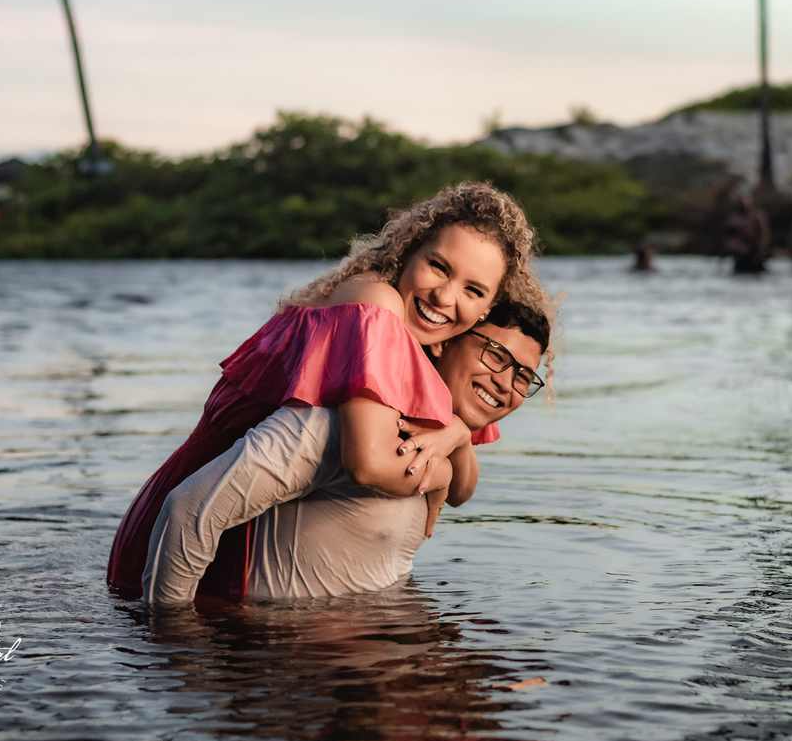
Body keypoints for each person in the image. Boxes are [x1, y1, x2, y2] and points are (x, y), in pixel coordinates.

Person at [108, 182, 548, 600]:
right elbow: (368, 464)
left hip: (221, 524)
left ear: (488, 306)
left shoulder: (420, 348)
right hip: (179, 521)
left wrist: (453, 432)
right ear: (408, 252)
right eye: (438, 266)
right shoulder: (379, 305)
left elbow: (463, 489)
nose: (445, 296)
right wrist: (443, 472)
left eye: (473, 290)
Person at [143, 301, 551, 606]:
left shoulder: (436, 442)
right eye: (496, 356)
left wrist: (458, 435)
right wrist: (179, 646)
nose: (504, 383)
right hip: (285, 666)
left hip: (374, 649)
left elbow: (463, 490)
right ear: (444, 343)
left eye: (523, 377)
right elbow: (187, 510)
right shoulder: (336, 427)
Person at [723, 194, 770, 274]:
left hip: (754, 253)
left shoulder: (757, 217)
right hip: (740, 257)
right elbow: (728, 238)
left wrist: (761, 251)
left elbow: (764, 235)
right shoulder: (734, 219)